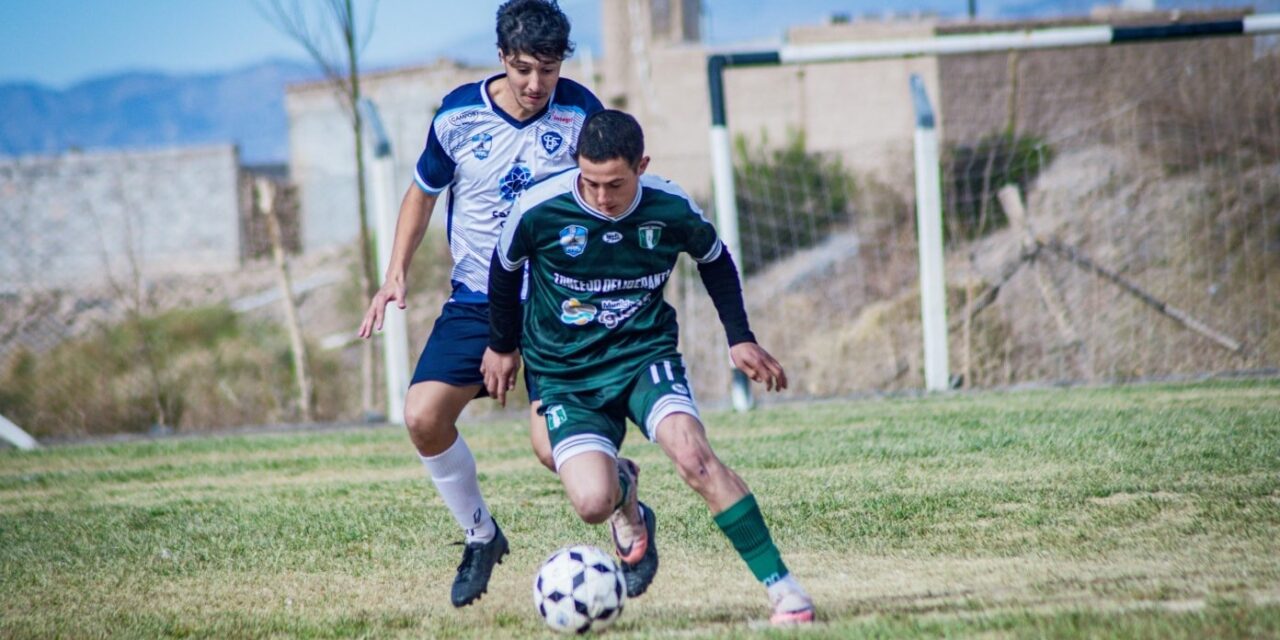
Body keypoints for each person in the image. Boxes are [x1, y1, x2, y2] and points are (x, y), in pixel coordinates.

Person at [481, 110, 816, 625]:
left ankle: (785, 591)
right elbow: (503, 274)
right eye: (589, 182)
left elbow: (716, 259)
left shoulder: (670, 206)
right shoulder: (539, 209)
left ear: (642, 166)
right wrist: (503, 346)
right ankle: (624, 494)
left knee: (695, 458)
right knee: (592, 502)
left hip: (644, 355)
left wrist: (740, 338)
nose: (600, 196)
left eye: (615, 183)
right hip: (565, 372)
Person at [356, 0, 605, 608]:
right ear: (502, 58)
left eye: (547, 69)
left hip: (553, 305)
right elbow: (421, 194)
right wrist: (394, 274)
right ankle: (481, 535)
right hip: (474, 300)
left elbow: (606, 196)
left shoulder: (581, 115)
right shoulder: (458, 116)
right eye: (523, 68)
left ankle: (624, 506)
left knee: (554, 453)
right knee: (422, 416)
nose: (534, 84)